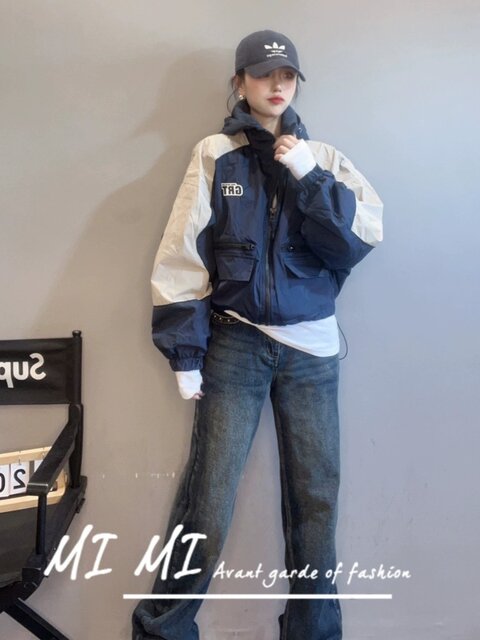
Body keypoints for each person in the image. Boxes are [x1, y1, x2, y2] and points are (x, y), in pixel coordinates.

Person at [132, 29, 383, 640]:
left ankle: (313, 632)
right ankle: (163, 630)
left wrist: (307, 176)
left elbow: (353, 244)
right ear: (239, 81)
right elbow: (183, 253)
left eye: (287, 75)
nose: (277, 85)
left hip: (312, 351)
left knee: (316, 500)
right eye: (264, 74)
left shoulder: (325, 159)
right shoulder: (215, 154)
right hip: (236, 344)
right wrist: (184, 352)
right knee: (208, 498)